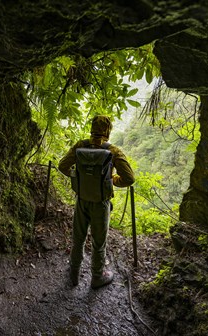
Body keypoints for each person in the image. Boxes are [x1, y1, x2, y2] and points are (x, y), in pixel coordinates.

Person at [58, 115, 134, 289]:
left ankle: (74, 274)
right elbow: (129, 178)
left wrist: (78, 177)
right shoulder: (113, 151)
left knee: (78, 238)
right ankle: (97, 277)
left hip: (82, 200)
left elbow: (63, 166)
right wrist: (113, 180)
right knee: (99, 242)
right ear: (108, 131)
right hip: (101, 203)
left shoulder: (80, 146)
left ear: (92, 128)